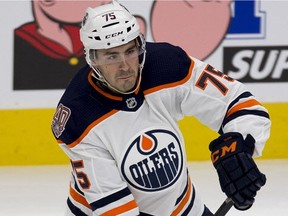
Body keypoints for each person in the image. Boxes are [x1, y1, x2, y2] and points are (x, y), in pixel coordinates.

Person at [51, 1, 271, 215]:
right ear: (92, 58)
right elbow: (116, 210)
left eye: (130, 51)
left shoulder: (167, 65)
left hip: (182, 206)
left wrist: (242, 146)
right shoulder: (77, 116)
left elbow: (239, 102)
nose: (126, 66)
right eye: (112, 56)